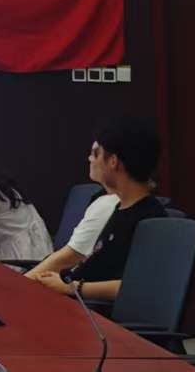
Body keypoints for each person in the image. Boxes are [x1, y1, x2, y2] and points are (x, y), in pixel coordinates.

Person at [32, 117, 168, 302]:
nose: (90, 159)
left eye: (96, 154)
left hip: (95, 314)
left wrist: (72, 287)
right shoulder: (120, 208)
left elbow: (142, 286)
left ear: (113, 161)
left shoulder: (151, 220)